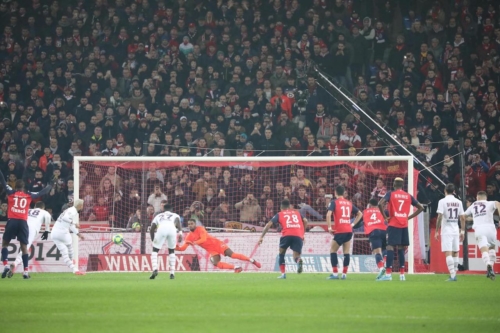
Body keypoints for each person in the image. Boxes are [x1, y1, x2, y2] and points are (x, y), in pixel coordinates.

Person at [0, 171, 52, 279]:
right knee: (24, 248)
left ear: (15, 186)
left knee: (5, 244)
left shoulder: (11, 193)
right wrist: (51, 185)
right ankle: (25, 272)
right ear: (23, 187)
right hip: (23, 222)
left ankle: (5, 266)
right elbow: (41, 193)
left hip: (12, 220)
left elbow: (3, 183)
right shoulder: (29, 195)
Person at [377, 177, 424, 281]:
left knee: (390, 247)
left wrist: (385, 217)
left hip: (393, 224)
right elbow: (421, 207)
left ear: (394, 184)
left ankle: (388, 275)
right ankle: (402, 275)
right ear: (402, 185)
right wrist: (408, 217)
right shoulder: (408, 196)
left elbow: (380, 203)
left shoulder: (391, 194)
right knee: (401, 248)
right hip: (404, 225)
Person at [176, 219, 261, 273]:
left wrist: (194, 243)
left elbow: (203, 239)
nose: (190, 225)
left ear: (195, 224)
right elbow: (183, 248)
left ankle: (252, 260)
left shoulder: (200, 228)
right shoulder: (189, 236)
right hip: (211, 250)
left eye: (192, 223)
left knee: (232, 255)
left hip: (217, 244)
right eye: (189, 224)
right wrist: (176, 248)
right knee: (215, 263)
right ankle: (236, 267)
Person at [259, 199, 308, 279]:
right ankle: (298, 261)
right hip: (298, 235)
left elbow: (268, 224)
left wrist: (261, 237)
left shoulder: (280, 214)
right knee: (296, 256)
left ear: (281, 208)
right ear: (289, 207)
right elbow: (305, 221)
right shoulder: (297, 213)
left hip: (286, 234)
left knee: (282, 253)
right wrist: (302, 233)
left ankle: (283, 274)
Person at [326, 186, 362, 280]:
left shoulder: (334, 202)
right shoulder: (349, 203)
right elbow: (360, 214)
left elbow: (328, 214)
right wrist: (353, 224)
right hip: (349, 230)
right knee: (346, 252)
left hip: (340, 230)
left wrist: (329, 227)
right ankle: (344, 274)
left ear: (335, 193)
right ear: (343, 193)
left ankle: (334, 274)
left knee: (333, 251)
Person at [8, 202, 52, 278]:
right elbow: (48, 218)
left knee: (23, 248)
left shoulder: (28, 210)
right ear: (43, 207)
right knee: (25, 249)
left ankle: (25, 271)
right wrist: (47, 230)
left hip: (22, 226)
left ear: (35, 206)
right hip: (32, 228)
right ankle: (16, 264)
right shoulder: (44, 212)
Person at [463, 191, 500, 281]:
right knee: (492, 248)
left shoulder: (474, 205)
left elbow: (463, 216)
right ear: (486, 198)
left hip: (479, 229)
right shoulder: (490, 203)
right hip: (491, 228)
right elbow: (498, 204)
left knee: (484, 249)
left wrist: (463, 228)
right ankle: (491, 268)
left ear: (477, 198)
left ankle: (488, 264)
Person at [435, 184, 465, 282]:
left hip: (447, 230)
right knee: (455, 252)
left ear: (445, 191)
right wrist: (463, 231)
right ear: (454, 191)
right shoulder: (459, 202)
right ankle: (454, 274)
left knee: (448, 253)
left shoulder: (442, 201)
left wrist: (436, 230)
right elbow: (463, 217)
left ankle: (452, 276)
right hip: (456, 230)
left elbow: (439, 216)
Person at [51, 199, 86, 275]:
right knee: (70, 247)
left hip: (54, 233)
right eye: (82, 205)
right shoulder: (72, 211)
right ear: (80, 206)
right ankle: (71, 260)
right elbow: (65, 219)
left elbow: (69, 224)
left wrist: (78, 234)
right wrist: (75, 223)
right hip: (62, 233)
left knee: (64, 252)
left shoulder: (69, 210)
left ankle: (74, 269)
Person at [149, 203, 182, 280]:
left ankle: (155, 269)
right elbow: (178, 224)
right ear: (171, 210)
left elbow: (152, 229)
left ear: (163, 210)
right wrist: (180, 233)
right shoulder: (175, 215)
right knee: (171, 251)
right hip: (172, 229)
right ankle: (172, 273)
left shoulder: (158, 216)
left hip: (161, 229)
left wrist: (153, 240)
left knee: (155, 251)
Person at [363, 198, 388, 278]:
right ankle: (385, 259)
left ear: (369, 205)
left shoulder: (365, 212)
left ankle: (381, 268)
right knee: (384, 249)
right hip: (384, 231)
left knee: (376, 252)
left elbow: (359, 222)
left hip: (374, 231)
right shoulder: (383, 211)